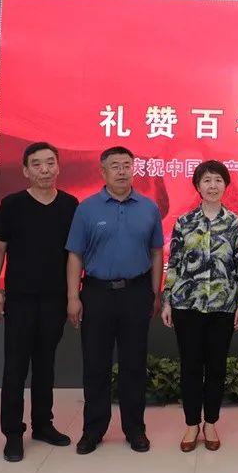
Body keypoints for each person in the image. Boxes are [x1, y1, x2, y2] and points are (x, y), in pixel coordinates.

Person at [65, 146, 164, 455]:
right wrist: (73, 296)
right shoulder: (87, 208)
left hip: (136, 292)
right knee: (96, 364)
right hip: (97, 293)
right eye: (115, 166)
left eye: (126, 165)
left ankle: (135, 429)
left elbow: (157, 252)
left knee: (134, 364)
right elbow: (75, 255)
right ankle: (93, 430)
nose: (122, 171)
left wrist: (155, 292)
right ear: (103, 171)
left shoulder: (148, 208)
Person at [0, 142, 79, 462]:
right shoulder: (12, 204)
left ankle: (43, 425)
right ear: (26, 170)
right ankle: (13, 433)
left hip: (54, 298)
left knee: (45, 365)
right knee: (15, 366)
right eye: (37, 164)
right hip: (20, 298)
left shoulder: (69, 204)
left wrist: (72, 295)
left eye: (50, 163)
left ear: (58, 167)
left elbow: (74, 255)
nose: (44, 169)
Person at [161, 160, 238, 452]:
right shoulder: (184, 222)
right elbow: (173, 264)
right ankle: (191, 424)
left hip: (223, 306)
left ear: (226, 185)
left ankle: (210, 422)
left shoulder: (236, 224)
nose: (212, 186)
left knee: (216, 367)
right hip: (187, 305)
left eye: (218, 180)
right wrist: (167, 299)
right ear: (198, 186)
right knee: (190, 366)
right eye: (207, 180)